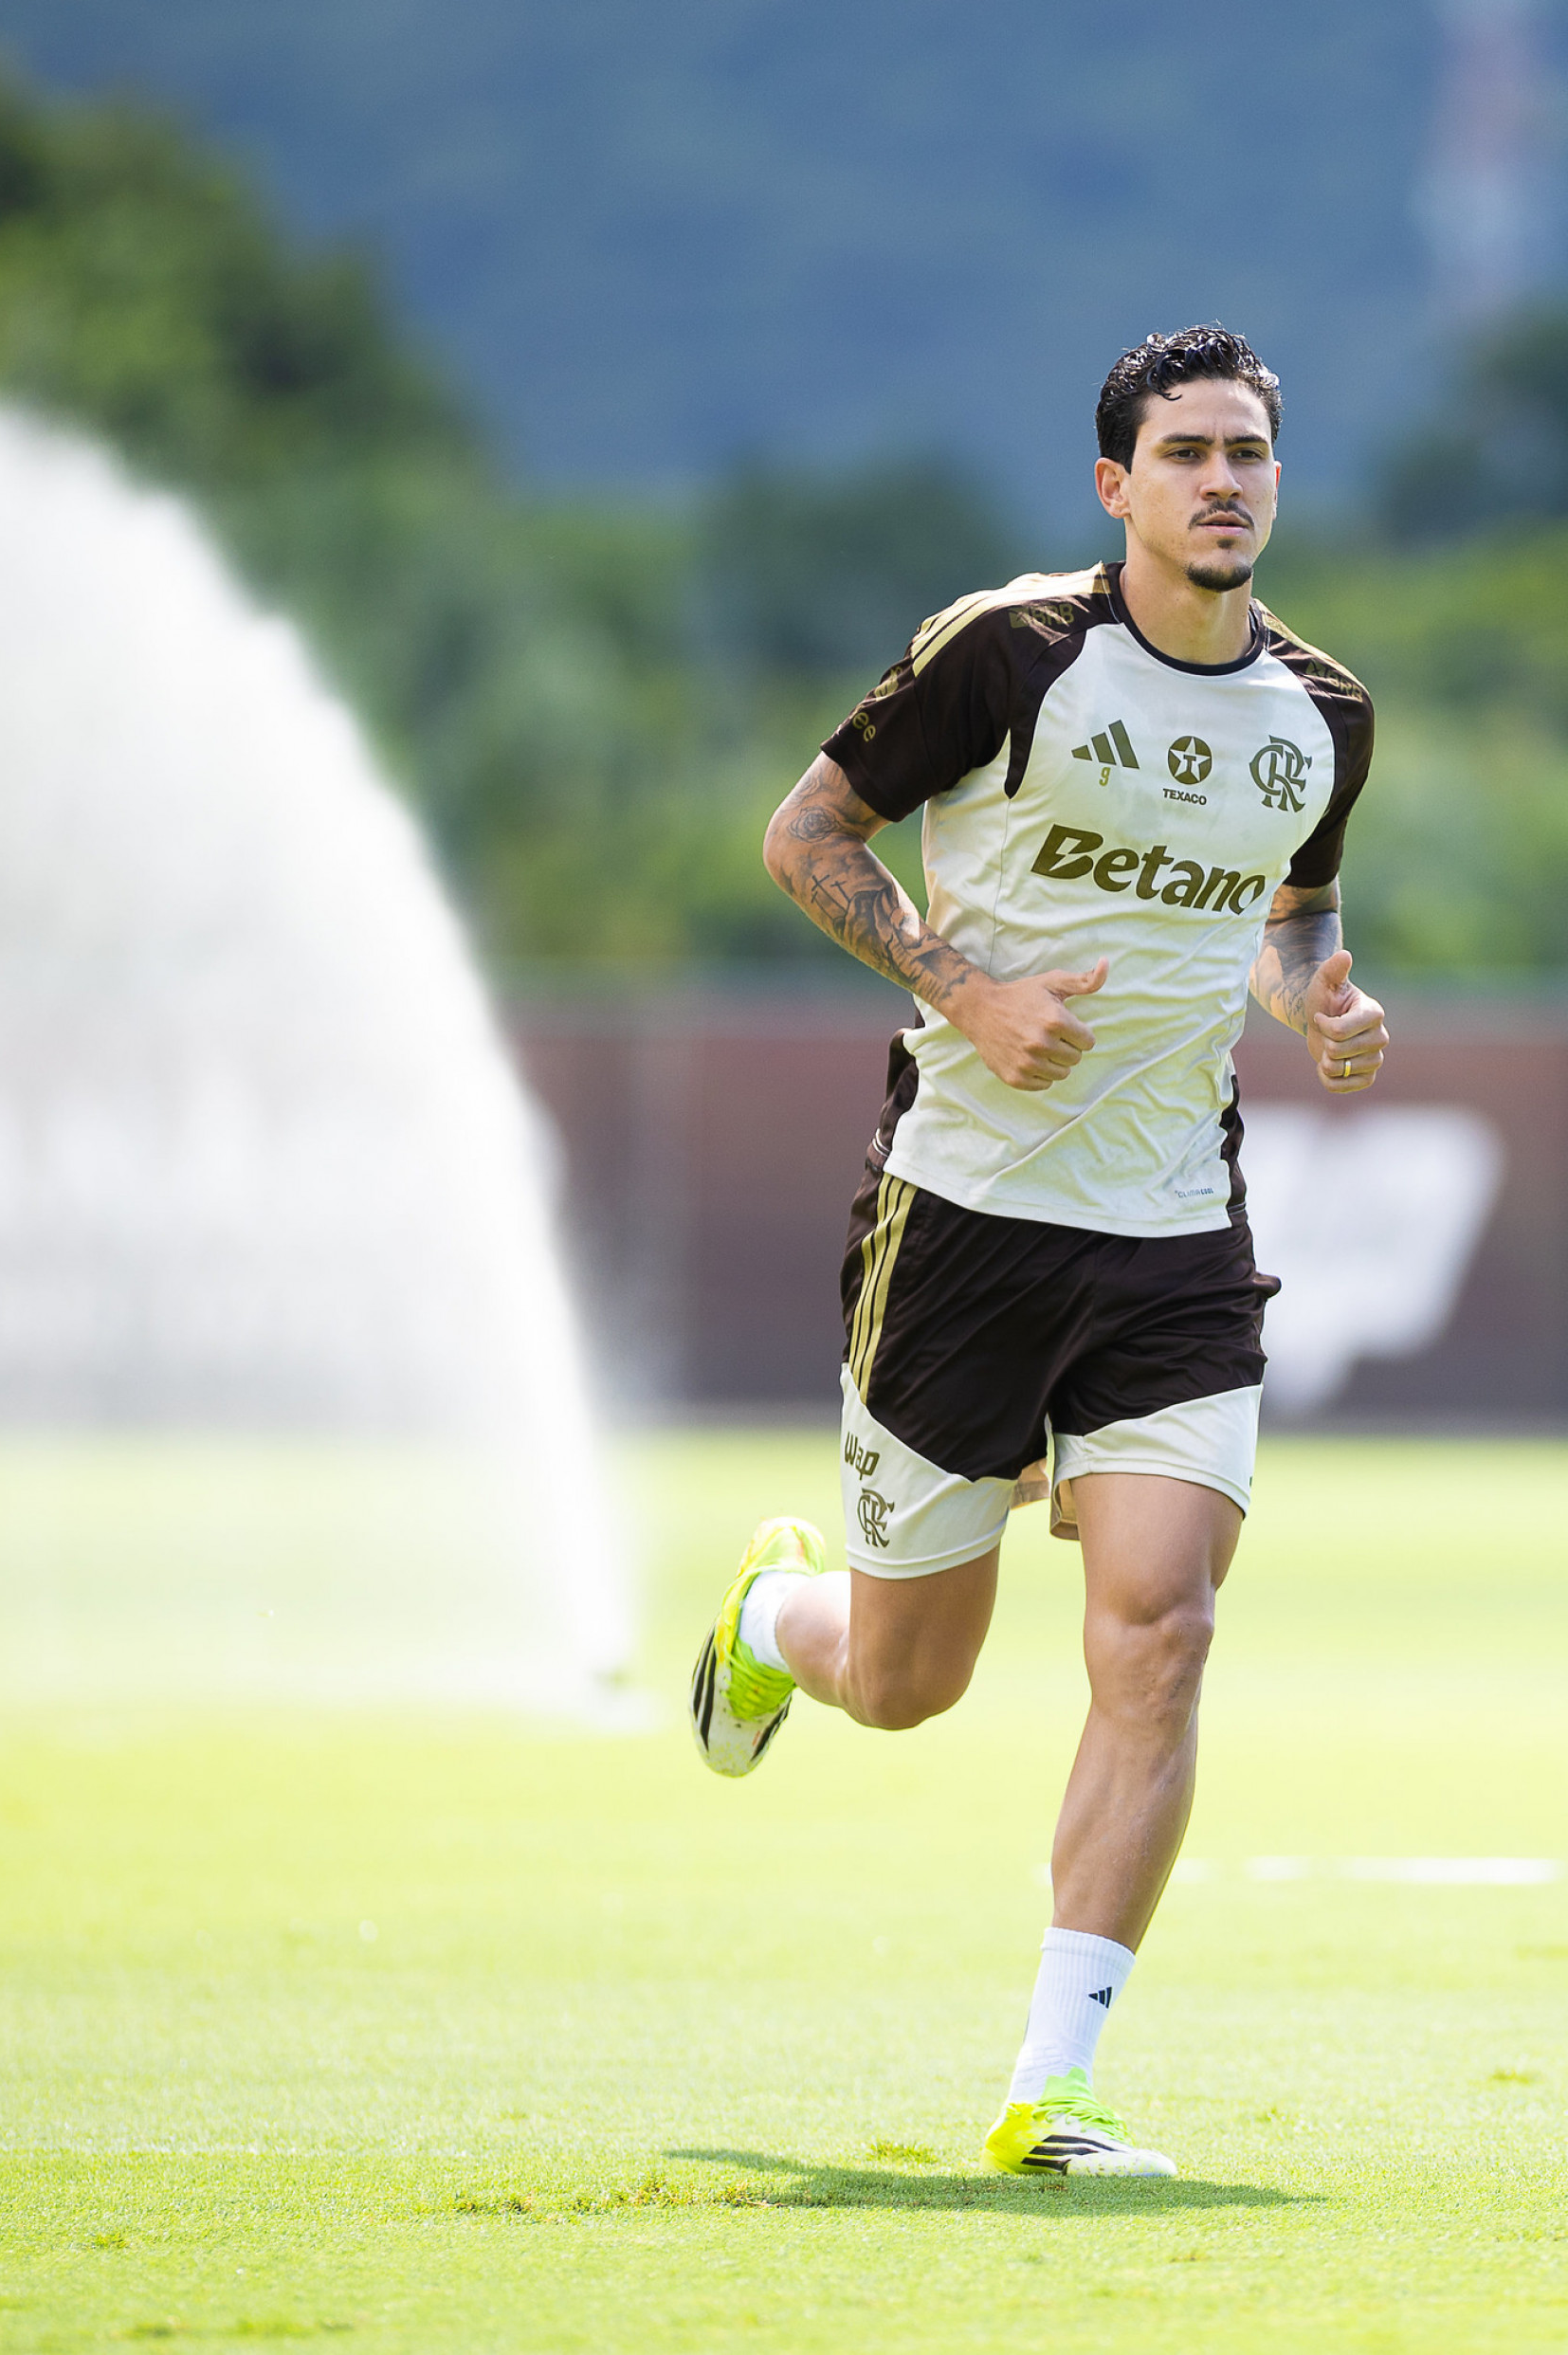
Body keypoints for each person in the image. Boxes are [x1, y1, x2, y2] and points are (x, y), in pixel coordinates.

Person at [689, 325, 1389, 2179]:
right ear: (1117, 486)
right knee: (911, 1681)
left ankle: (1052, 2090)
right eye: (1185, 453)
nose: (1223, 479)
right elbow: (807, 832)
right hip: (966, 1223)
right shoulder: (1013, 652)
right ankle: (773, 1621)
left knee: (1161, 1633)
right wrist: (961, 987)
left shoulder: (1327, 713)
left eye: (1250, 451)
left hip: (1173, 1233)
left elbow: (1291, 913)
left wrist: (1323, 999)